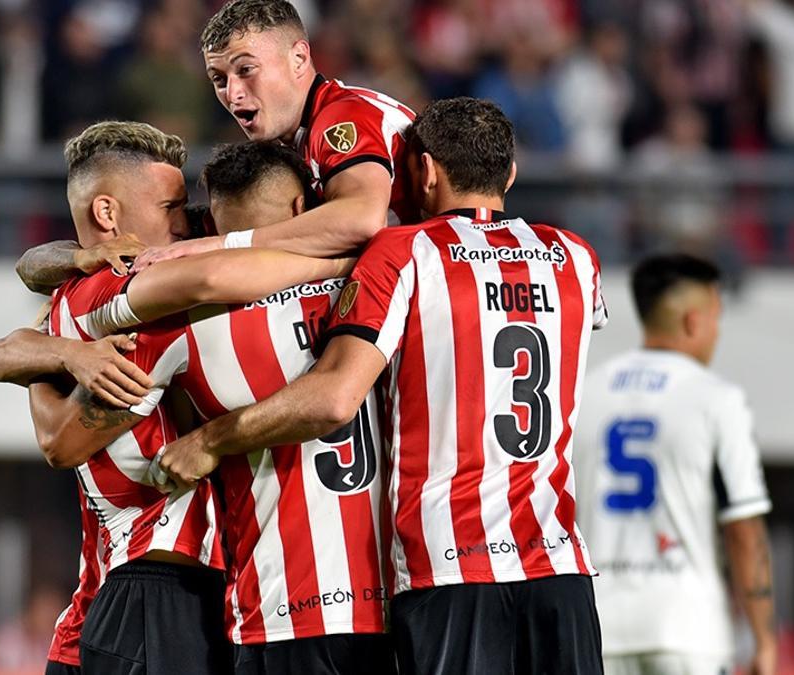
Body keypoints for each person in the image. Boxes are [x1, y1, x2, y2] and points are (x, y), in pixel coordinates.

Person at [155, 97, 607, 675]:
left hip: (451, 565)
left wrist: (211, 440)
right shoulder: (575, 257)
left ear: (424, 172)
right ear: (510, 174)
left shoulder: (404, 253)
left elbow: (335, 396)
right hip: (559, 566)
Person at [0, 121, 351, 675]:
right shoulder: (142, 302)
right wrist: (351, 262)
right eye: (171, 206)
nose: (188, 223)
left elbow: (24, 292)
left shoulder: (84, 286)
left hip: (119, 602)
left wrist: (54, 348)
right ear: (109, 214)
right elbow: (60, 439)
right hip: (155, 598)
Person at [572, 253, 776, 675]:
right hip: (688, 631)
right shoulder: (717, 398)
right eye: (716, 319)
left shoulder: (583, 394)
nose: (717, 333)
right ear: (692, 322)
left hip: (599, 627)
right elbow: (743, 527)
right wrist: (763, 638)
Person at [140, 0, 419, 264]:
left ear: (298, 58)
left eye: (246, 69)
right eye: (219, 79)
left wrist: (223, 244)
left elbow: (361, 221)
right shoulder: (295, 135)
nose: (233, 93)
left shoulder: (344, 116)